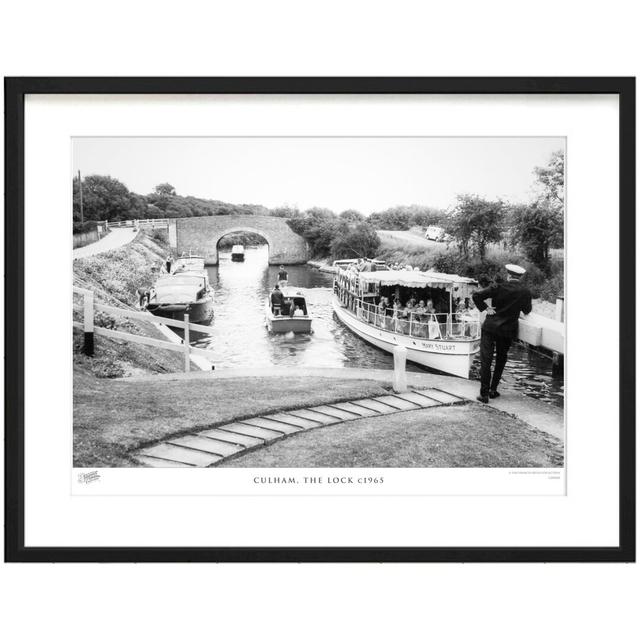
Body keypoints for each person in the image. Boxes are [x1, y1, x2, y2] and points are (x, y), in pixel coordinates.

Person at [472, 264, 532, 403]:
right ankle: (493, 390)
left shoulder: (498, 287)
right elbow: (527, 310)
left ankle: (484, 394)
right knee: (501, 359)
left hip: (490, 327)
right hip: (507, 330)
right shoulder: (525, 292)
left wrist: (486, 308)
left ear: (508, 275)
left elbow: (476, 295)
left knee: (486, 360)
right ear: (520, 277)